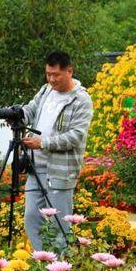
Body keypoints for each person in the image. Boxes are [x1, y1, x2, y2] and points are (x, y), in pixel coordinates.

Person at [21, 51, 93, 251]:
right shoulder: (45, 91)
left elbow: (76, 136)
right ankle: (42, 263)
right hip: (36, 168)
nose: (51, 79)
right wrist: (17, 115)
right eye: (48, 74)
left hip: (60, 171)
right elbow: (31, 110)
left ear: (69, 71)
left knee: (59, 225)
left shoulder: (81, 100)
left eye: (56, 75)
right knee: (32, 218)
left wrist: (43, 143)